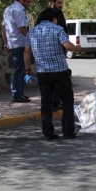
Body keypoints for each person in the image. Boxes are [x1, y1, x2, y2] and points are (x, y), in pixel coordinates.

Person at [24, 7, 82, 140]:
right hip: (60, 71)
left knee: (46, 102)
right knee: (67, 100)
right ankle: (68, 131)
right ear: (54, 18)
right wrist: (77, 48)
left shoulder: (32, 32)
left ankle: (48, 132)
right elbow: (67, 46)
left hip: (43, 72)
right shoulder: (58, 29)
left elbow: (26, 52)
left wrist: (28, 70)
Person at [2, 0, 33, 103]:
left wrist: (5, 42)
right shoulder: (18, 10)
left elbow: (3, 27)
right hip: (19, 42)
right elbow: (22, 28)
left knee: (19, 69)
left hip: (12, 42)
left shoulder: (8, 9)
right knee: (19, 70)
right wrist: (31, 38)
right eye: (28, 2)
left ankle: (19, 93)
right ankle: (16, 94)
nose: (28, 4)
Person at [49, 0, 68, 111]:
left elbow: (65, 30)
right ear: (52, 2)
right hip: (51, 50)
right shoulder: (47, 15)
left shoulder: (60, 14)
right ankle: (52, 102)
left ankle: (56, 101)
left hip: (61, 49)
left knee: (60, 78)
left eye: (62, 3)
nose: (61, 5)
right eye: (58, 3)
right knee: (52, 79)